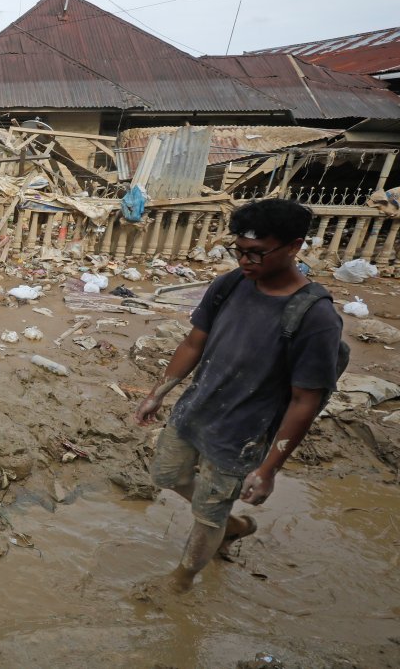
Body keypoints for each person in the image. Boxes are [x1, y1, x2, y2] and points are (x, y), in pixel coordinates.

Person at [134, 198, 343, 592]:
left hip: (242, 432)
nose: (246, 261)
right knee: (167, 475)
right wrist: (158, 393)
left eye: (257, 253)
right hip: (194, 410)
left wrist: (268, 470)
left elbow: (306, 401)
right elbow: (194, 342)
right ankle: (234, 525)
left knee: (208, 513)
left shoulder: (315, 317)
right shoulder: (231, 284)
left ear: (294, 247)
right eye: (239, 250)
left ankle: (183, 580)